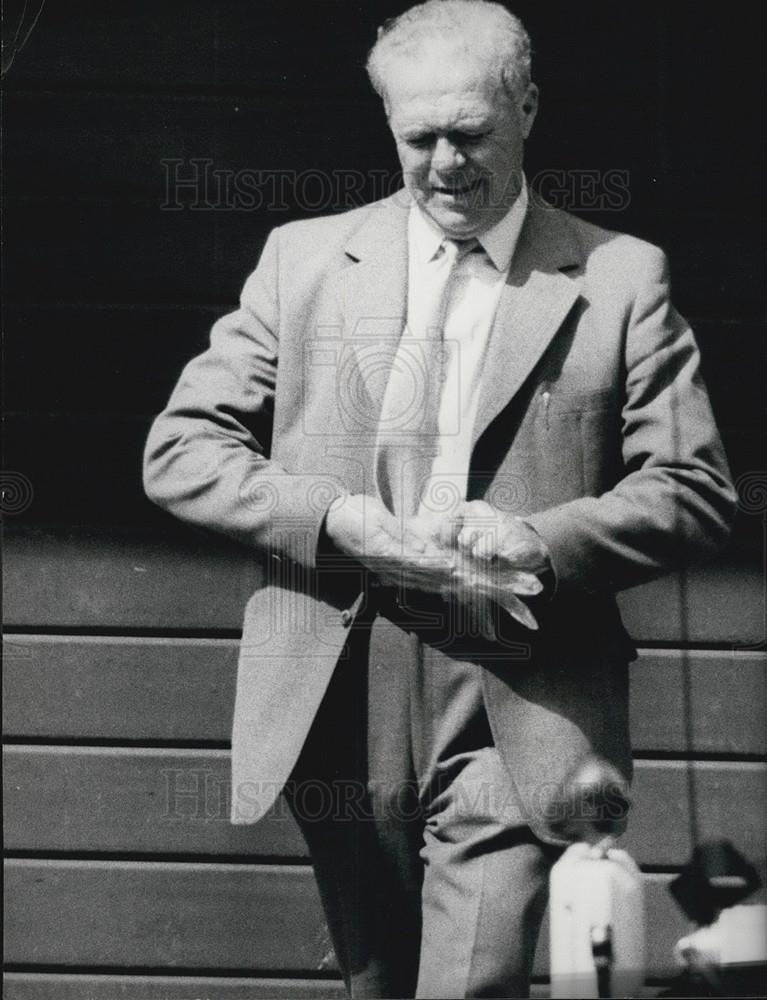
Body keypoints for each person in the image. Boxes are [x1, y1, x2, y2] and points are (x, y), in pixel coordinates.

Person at [143, 1, 736, 995]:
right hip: (341, 677)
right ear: (387, 126)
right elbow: (180, 449)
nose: (446, 162)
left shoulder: (621, 278)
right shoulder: (302, 261)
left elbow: (692, 487)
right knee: (377, 980)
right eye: (419, 137)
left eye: (471, 132)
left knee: (471, 978)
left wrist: (536, 539)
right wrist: (331, 518)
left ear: (527, 108)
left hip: (521, 680)